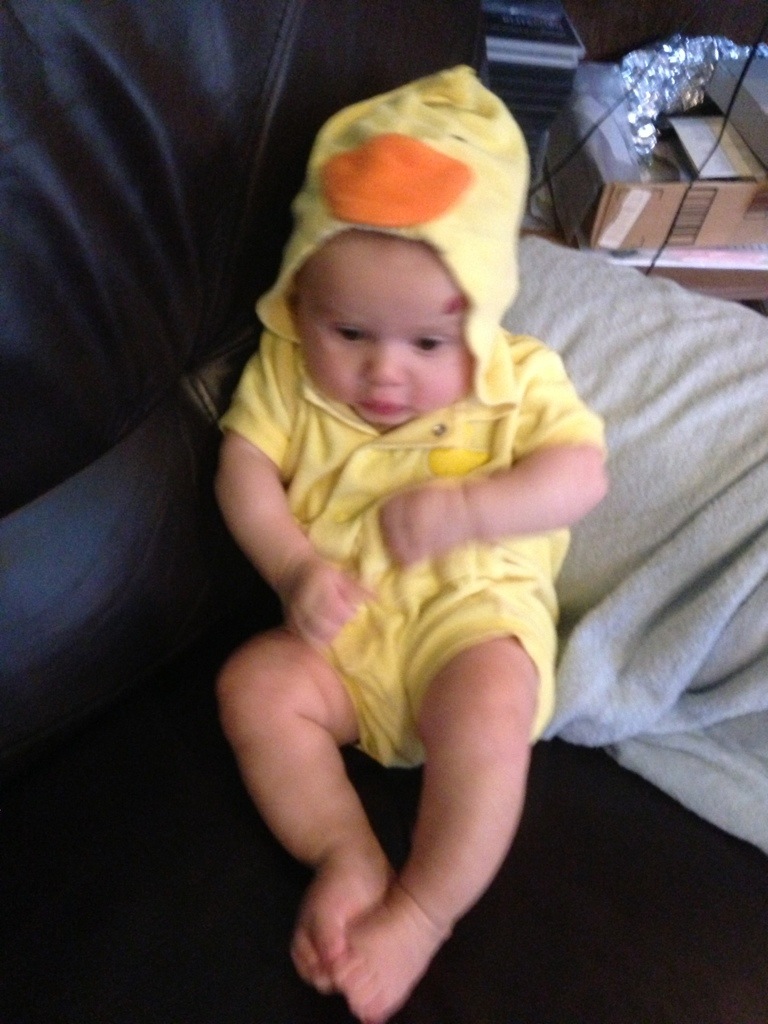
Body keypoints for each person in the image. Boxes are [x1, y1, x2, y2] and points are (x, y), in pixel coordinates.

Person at [215, 65, 607, 1024]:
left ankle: (424, 911)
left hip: (466, 621)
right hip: (340, 636)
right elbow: (243, 470)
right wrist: (293, 568)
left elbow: (581, 477)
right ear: (302, 301)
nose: (384, 373)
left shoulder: (519, 378)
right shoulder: (287, 373)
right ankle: (346, 852)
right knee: (253, 687)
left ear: (482, 315)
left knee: (492, 706)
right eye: (349, 331)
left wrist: (474, 510)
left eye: (428, 344)